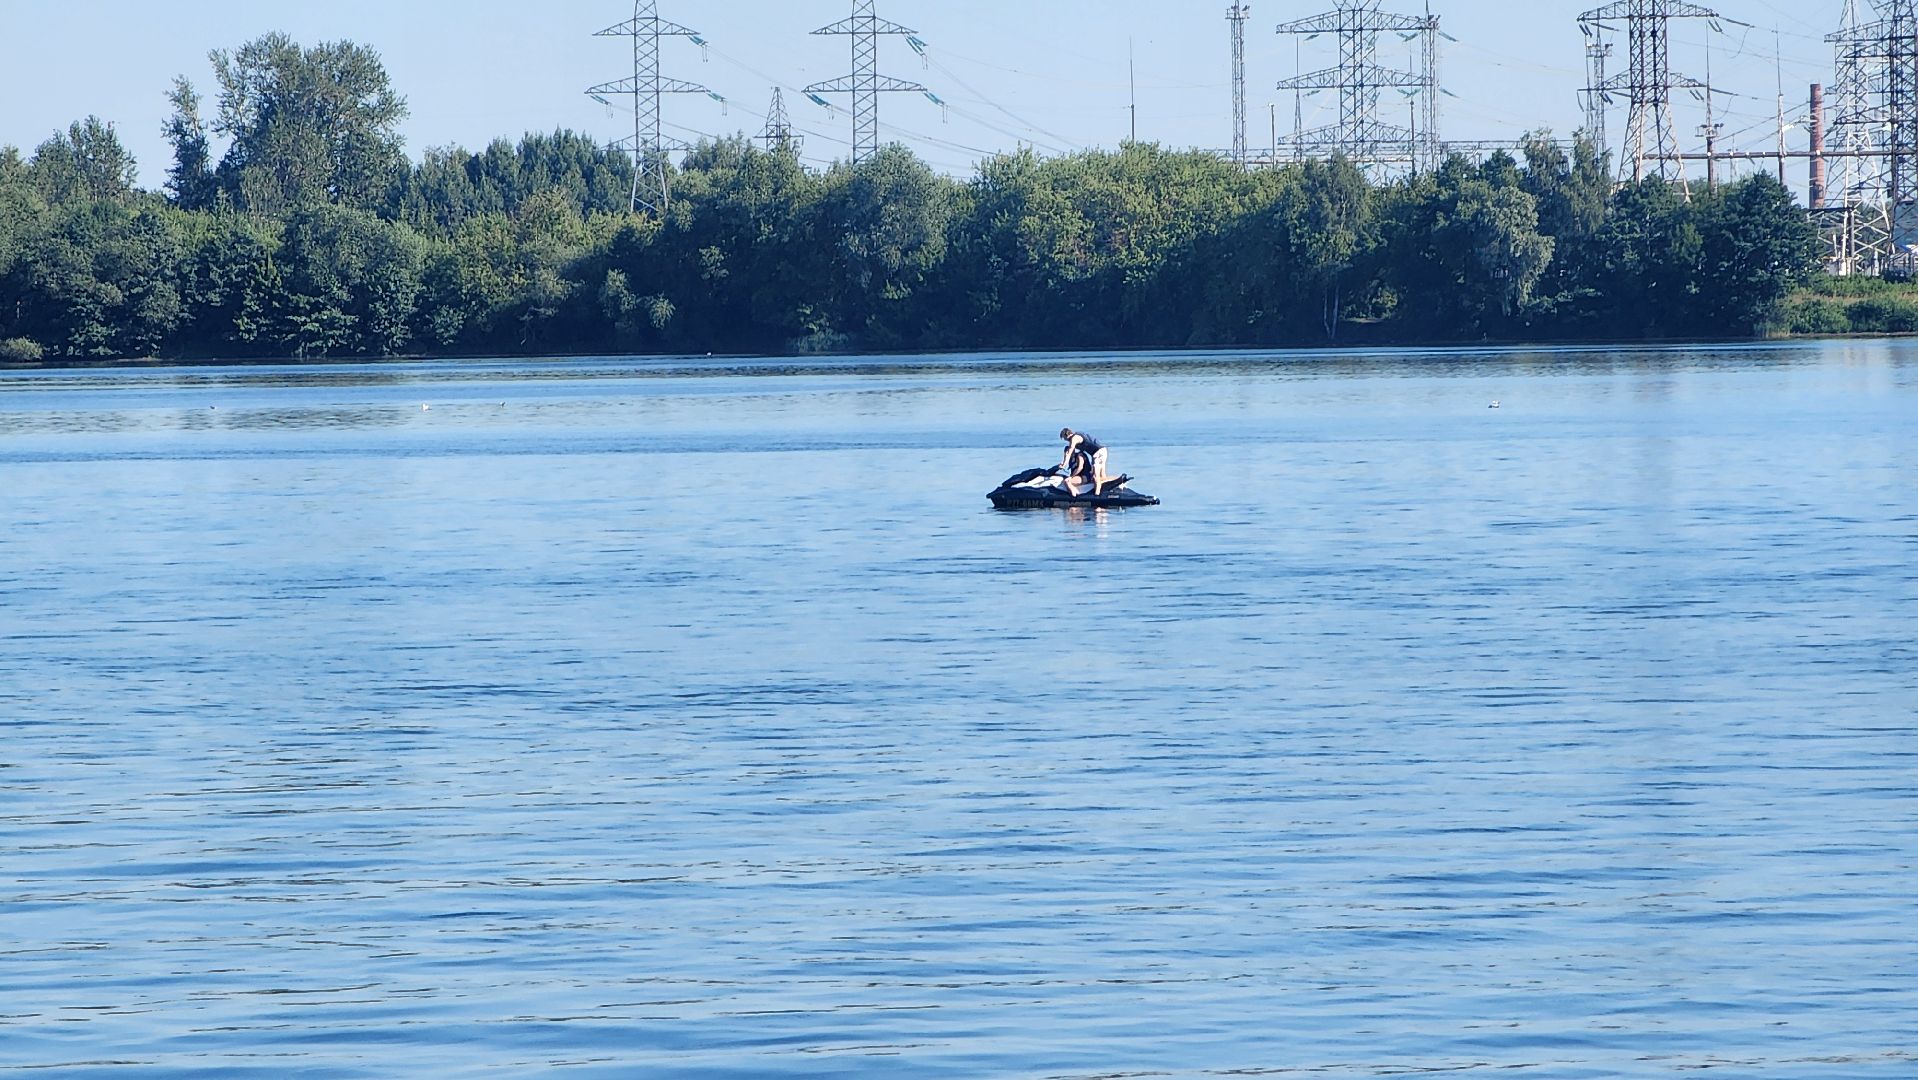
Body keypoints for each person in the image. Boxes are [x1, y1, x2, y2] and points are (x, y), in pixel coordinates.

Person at [1059, 428, 1110, 497]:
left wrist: (1064, 464)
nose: (1065, 440)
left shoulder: (1074, 438)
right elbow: (1070, 452)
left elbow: (1070, 451)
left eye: (1064, 437)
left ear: (1066, 434)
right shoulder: (1077, 440)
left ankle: (1097, 495)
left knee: (1096, 475)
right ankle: (1106, 490)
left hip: (1099, 452)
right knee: (1101, 474)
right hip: (1099, 452)